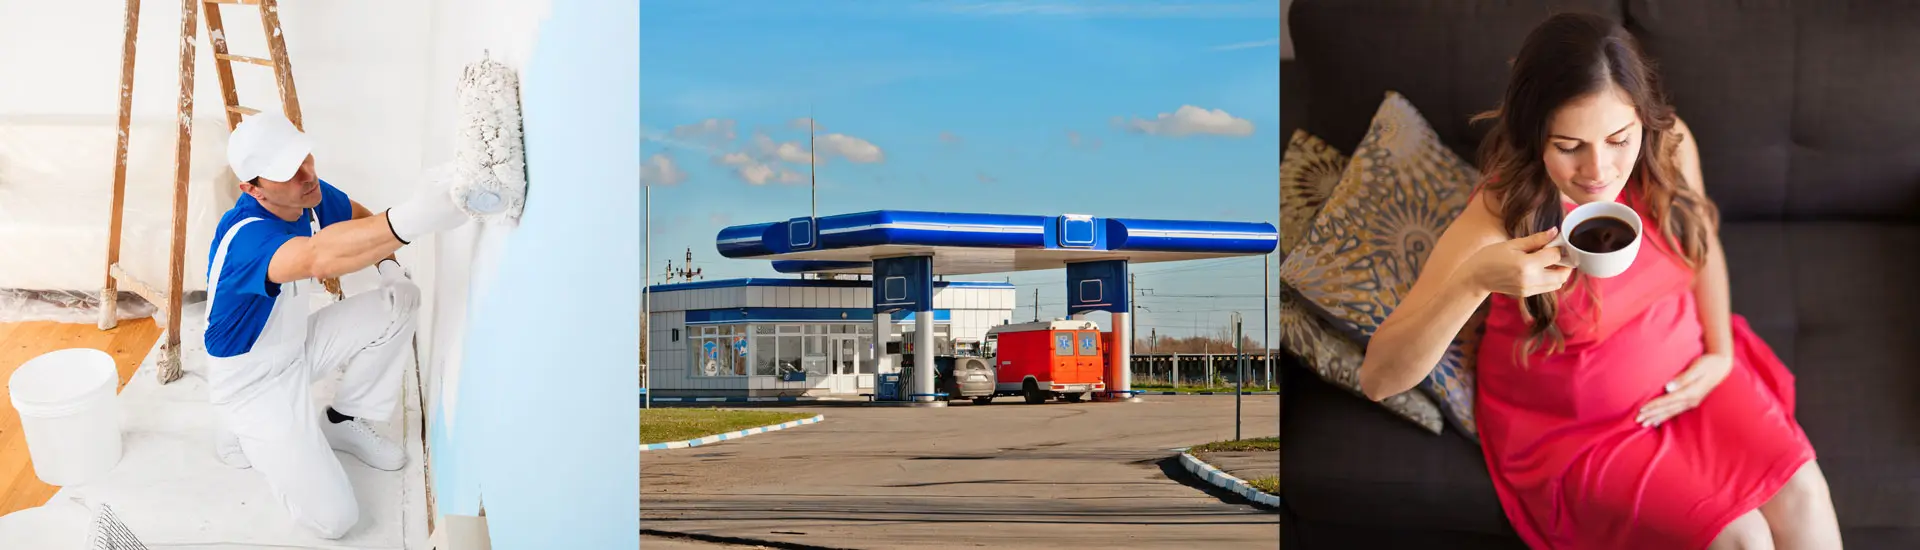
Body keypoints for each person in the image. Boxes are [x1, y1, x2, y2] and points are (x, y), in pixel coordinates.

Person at [1356, 13, 1843, 550]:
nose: (1599, 171)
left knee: (1804, 492)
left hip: (1688, 371)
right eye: (1568, 146)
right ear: (1533, 134)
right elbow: (1380, 377)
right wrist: (1473, 281)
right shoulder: (1497, 212)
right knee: (1742, 539)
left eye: (1618, 139)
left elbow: (1704, 249)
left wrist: (1722, 353)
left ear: (1643, 120)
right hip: (1576, 426)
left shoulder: (1670, 147)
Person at [204, 112, 474, 539]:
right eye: (288, 172)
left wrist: (387, 263)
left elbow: (358, 217)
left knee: (401, 299)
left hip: (297, 349)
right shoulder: (245, 238)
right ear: (252, 189)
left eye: (305, 158)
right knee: (336, 520)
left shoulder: (304, 193)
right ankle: (244, 431)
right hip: (252, 386)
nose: (307, 174)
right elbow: (317, 257)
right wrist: (415, 217)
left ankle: (343, 419)